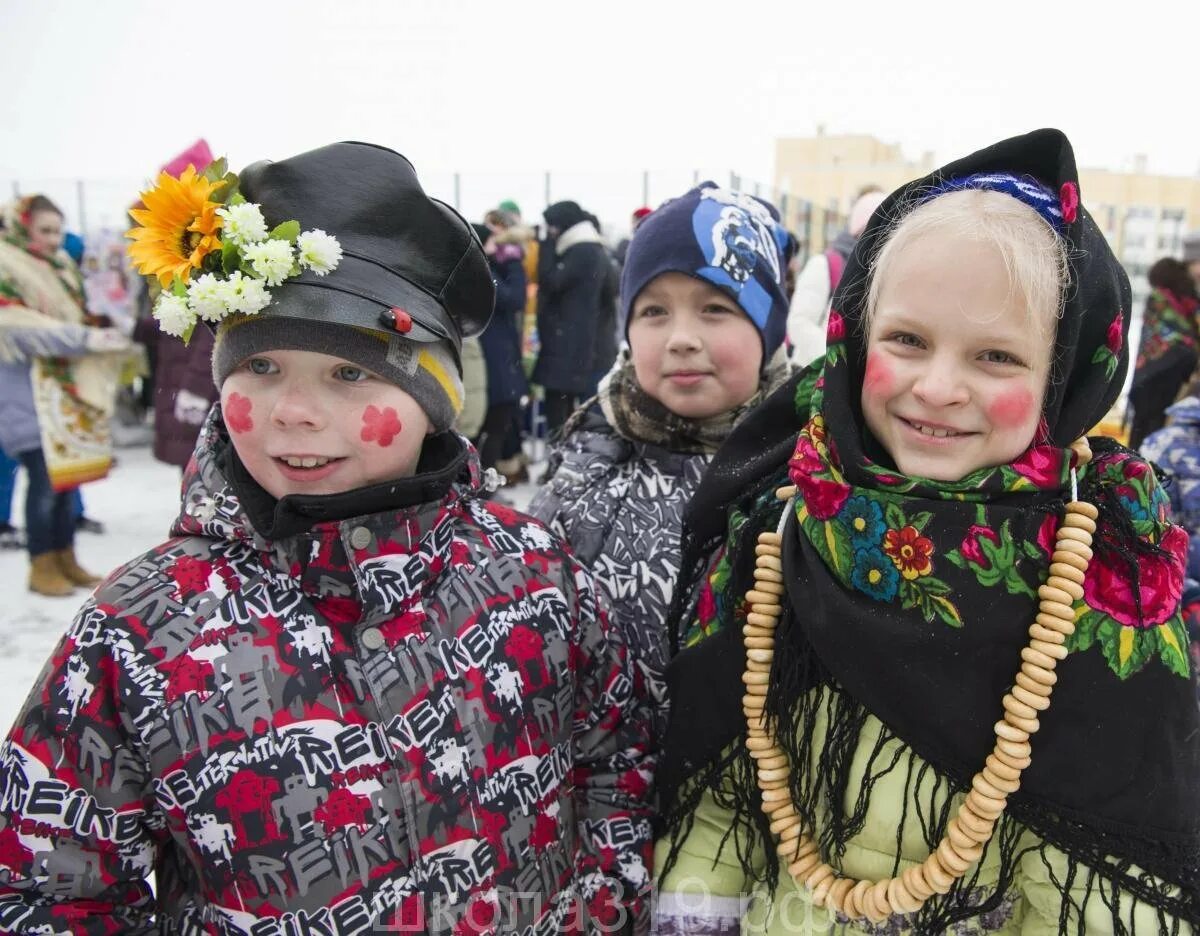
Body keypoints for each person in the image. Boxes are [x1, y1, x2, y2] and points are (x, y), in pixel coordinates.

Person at [0, 143, 654, 933]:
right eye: (263, 367)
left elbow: (616, 762)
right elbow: (42, 888)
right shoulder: (142, 626)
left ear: (434, 402)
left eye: (350, 375)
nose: (294, 412)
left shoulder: (536, 576)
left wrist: (601, 907)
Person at [654, 130, 1199, 934]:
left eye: (996, 356)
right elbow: (716, 807)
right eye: (906, 340)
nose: (938, 387)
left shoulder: (1103, 580)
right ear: (854, 335)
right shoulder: (782, 530)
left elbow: (1105, 885)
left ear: (1063, 378)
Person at [530, 183, 793, 733]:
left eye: (716, 309)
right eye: (653, 311)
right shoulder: (583, 460)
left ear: (768, 330)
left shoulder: (811, 476)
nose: (681, 338)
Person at [0, 194, 135, 596]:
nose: (54, 239)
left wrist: (104, 318)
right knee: (44, 483)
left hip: (60, 393)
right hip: (25, 394)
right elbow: (20, 328)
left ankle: (65, 557)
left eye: (58, 230)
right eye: (45, 230)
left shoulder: (58, 267)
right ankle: (41, 565)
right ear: (23, 227)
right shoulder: (8, 265)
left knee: (63, 482)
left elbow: (74, 313)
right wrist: (85, 337)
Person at [532, 200, 615, 434]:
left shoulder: (582, 251)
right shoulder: (595, 249)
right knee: (583, 419)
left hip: (571, 352)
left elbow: (551, 281)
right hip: (585, 351)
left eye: (552, 228)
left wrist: (546, 246)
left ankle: (563, 462)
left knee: (563, 419)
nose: (550, 234)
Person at [785, 186, 885, 367]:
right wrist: (834, 361)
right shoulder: (826, 264)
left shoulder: (884, 272)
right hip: (813, 377)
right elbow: (798, 323)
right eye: (874, 229)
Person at [472, 221, 529, 477]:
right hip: (492, 359)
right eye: (493, 241)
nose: (499, 246)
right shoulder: (481, 271)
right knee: (495, 422)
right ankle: (482, 485)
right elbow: (515, 298)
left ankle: (482, 481)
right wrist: (514, 264)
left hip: (490, 356)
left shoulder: (483, 268)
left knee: (493, 423)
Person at [1126, 257, 1200, 449]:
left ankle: (1139, 467)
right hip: (1180, 364)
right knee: (1159, 421)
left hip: (1153, 369)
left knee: (1143, 424)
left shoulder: (1160, 297)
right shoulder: (1188, 300)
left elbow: (1151, 337)